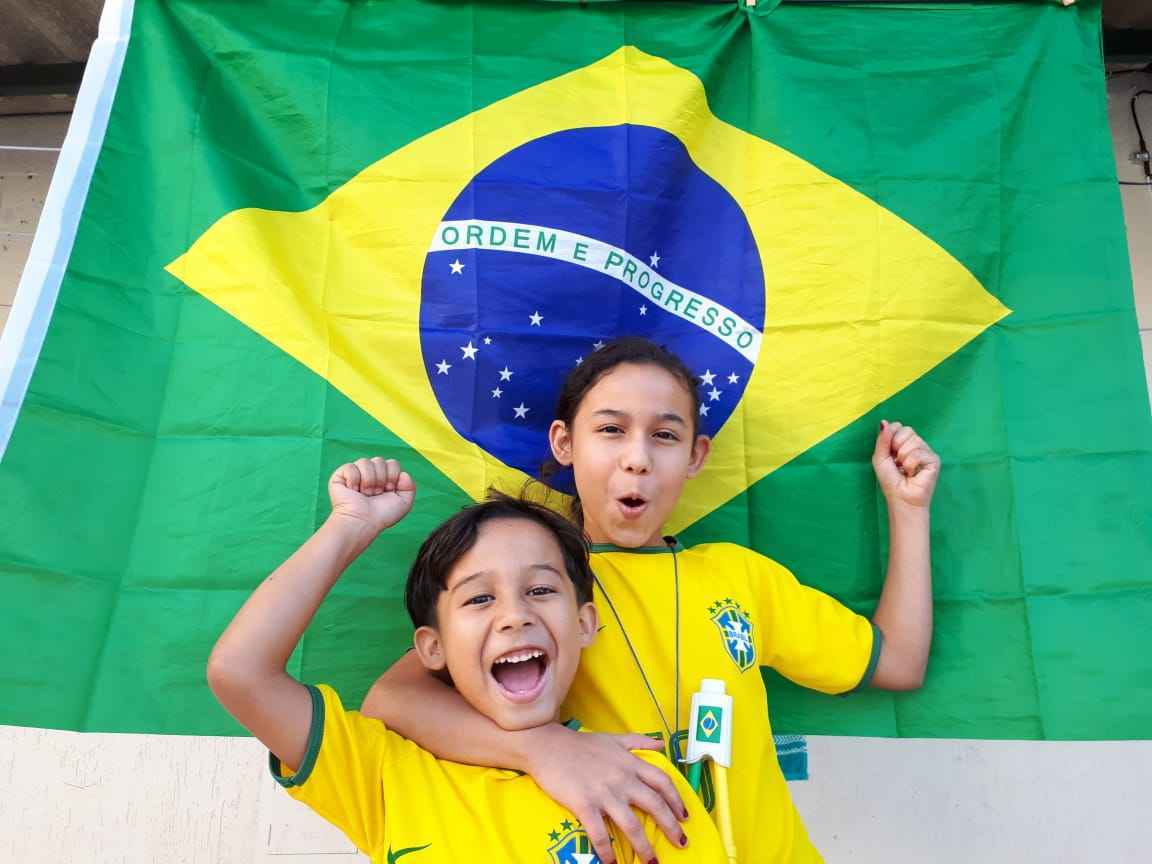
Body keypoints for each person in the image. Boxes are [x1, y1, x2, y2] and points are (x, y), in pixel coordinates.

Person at [361, 337, 940, 864]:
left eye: (664, 435)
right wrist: (544, 750)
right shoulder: (537, 590)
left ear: (695, 455)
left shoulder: (741, 576)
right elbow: (391, 700)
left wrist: (909, 511)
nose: (637, 458)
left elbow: (897, 662)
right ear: (564, 442)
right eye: (610, 430)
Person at [206, 456, 727, 864]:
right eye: (480, 599)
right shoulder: (388, 772)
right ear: (432, 648)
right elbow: (240, 672)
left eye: (541, 588)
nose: (513, 616)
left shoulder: (635, 781)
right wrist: (350, 524)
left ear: (585, 624)